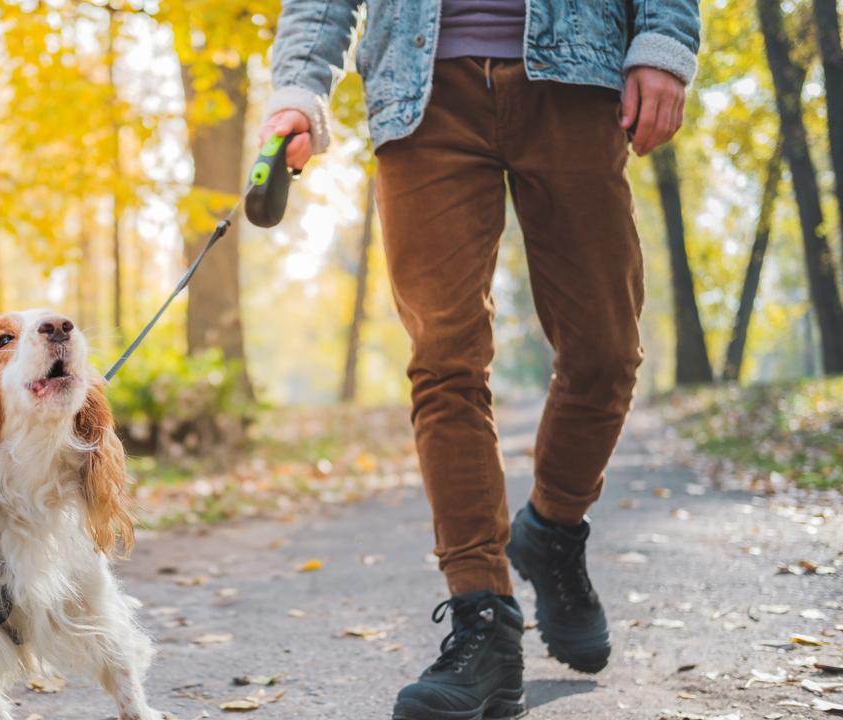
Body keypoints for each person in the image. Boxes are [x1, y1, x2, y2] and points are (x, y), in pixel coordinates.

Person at [260, 2, 700, 718]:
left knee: (606, 351)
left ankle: (553, 531)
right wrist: (299, 87)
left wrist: (663, 38)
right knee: (445, 361)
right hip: (420, 91)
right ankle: (483, 619)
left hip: (576, 76)